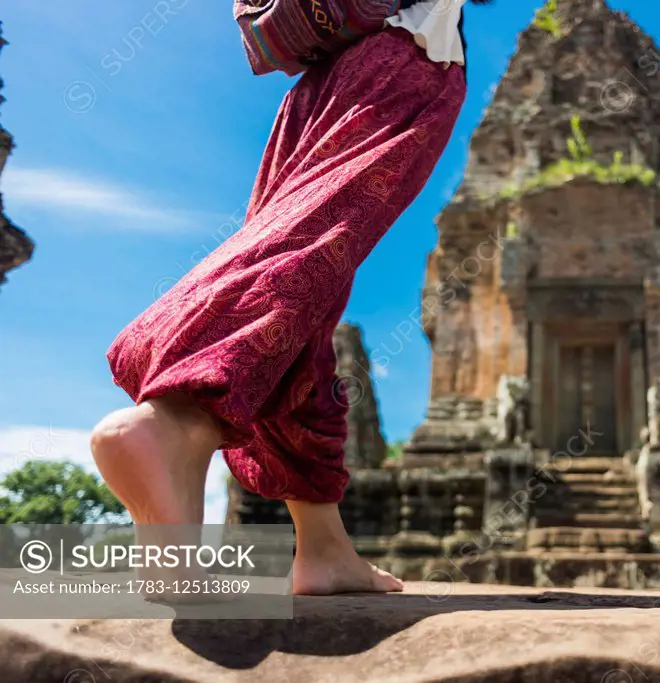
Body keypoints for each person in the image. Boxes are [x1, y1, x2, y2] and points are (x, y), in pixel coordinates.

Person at [90, 0, 491, 596]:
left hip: (321, 84)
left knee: (309, 299)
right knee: (309, 251)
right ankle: (177, 420)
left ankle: (322, 545)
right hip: (404, 61)